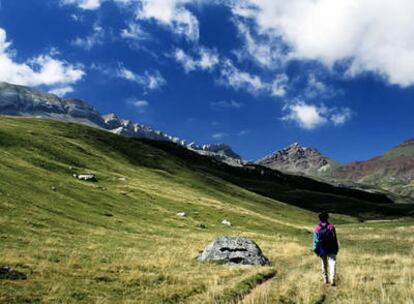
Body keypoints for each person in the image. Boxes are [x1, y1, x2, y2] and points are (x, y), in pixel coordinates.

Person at [313, 212, 339, 286]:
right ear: (327, 218)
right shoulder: (331, 227)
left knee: (324, 264)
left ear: (319, 218)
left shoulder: (317, 228)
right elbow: (335, 239)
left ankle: (325, 279)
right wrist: (336, 248)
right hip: (331, 249)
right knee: (332, 264)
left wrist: (316, 250)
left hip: (322, 249)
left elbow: (315, 241)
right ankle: (332, 280)